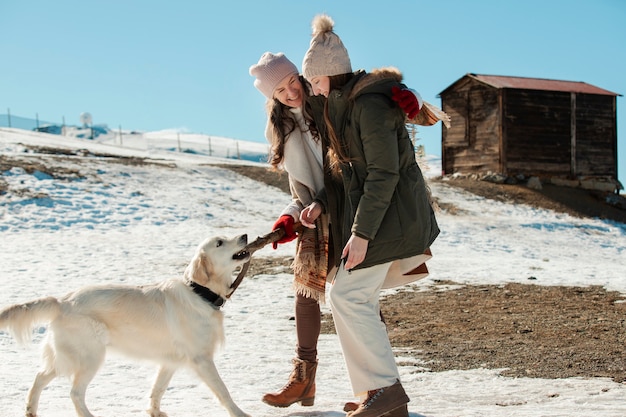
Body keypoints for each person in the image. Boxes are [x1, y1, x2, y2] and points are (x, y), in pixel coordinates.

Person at [249, 52, 425, 411]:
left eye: (293, 82)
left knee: (358, 298)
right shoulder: (277, 126)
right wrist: (291, 215)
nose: (291, 93)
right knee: (307, 291)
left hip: (350, 205)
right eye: (280, 90)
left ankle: (379, 391)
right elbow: (298, 187)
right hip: (315, 212)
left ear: (302, 76)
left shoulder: (323, 102)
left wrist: (414, 99)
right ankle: (305, 381)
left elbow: (368, 91)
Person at [299, 14, 441, 417]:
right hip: (381, 217)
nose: (312, 88)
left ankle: (384, 391)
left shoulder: (369, 106)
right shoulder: (345, 107)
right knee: (346, 295)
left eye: (315, 80)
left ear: (330, 73)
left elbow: (383, 174)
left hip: (389, 218)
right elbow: (353, 175)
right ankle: (377, 393)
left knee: (347, 294)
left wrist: (360, 234)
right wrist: (324, 201)